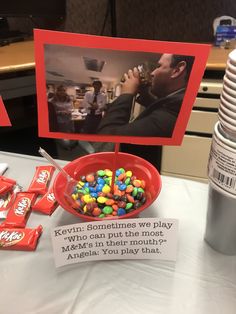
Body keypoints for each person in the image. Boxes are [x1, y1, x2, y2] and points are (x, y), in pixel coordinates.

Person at [97, 54, 195, 137]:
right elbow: (161, 107)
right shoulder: (177, 103)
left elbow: (106, 136)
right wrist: (144, 92)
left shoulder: (169, 117)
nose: (152, 73)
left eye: (159, 66)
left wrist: (126, 94)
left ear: (177, 70)